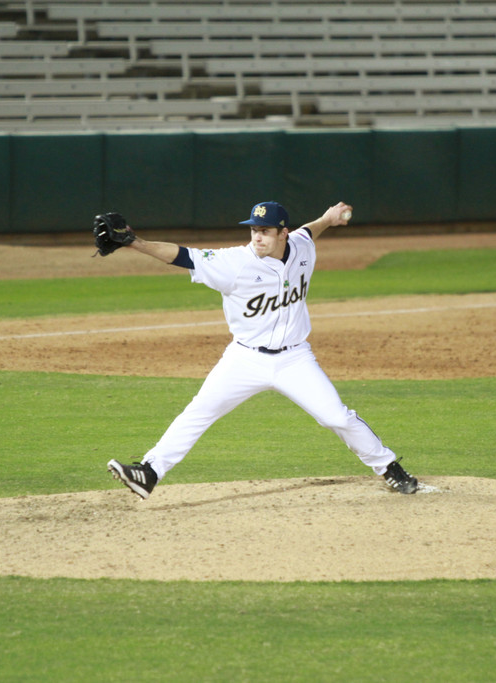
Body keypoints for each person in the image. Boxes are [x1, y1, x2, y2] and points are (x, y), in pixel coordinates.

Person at [106, 200, 419, 499]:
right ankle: (149, 472)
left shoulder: (301, 246)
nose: (258, 236)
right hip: (244, 359)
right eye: (254, 229)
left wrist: (328, 219)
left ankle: (389, 467)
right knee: (199, 411)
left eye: (266, 230)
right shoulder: (234, 263)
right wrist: (134, 242)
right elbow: (182, 256)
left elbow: (309, 231)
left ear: (283, 233)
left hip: (295, 358)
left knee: (336, 417)